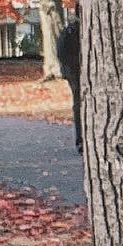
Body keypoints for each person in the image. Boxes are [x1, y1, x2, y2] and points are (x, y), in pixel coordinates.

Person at [54, 14, 82, 153]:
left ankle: (81, 139)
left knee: (79, 103)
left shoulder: (70, 31)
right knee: (78, 103)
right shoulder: (71, 32)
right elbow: (62, 54)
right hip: (74, 71)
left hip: (73, 70)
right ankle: (80, 139)